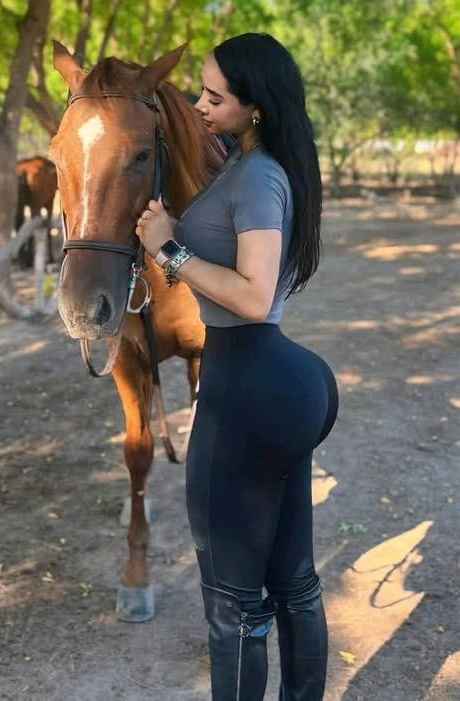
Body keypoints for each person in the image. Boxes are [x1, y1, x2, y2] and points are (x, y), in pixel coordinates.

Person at [135, 32, 339, 701]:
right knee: (293, 581)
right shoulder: (256, 165)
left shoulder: (255, 178)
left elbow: (252, 296)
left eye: (214, 97)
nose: (199, 105)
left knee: (233, 602)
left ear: (256, 107)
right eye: (200, 90)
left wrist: (168, 249)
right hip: (282, 387)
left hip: (244, 389)